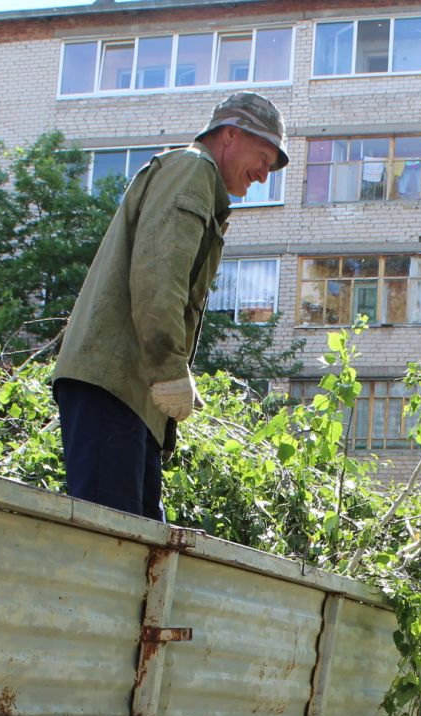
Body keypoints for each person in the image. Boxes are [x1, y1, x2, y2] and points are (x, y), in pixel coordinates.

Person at [51, 91, 288, 520]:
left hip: (128, 388)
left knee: (140, 546)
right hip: (115, 382)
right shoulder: (192, 170)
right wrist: (168, 368)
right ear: (230, 135)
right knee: (115, 547)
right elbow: (160, 276)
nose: (263, 175)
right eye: (263, 157)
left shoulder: (198, 181)